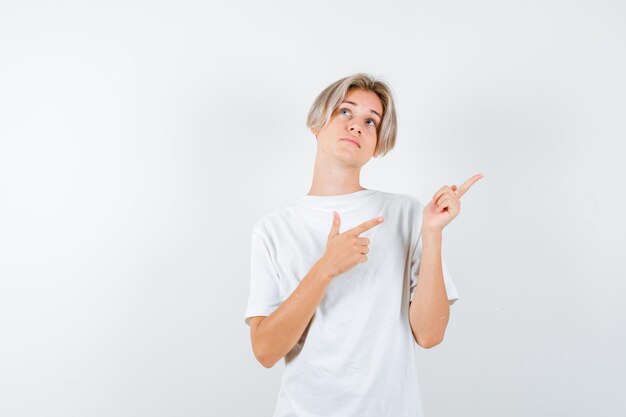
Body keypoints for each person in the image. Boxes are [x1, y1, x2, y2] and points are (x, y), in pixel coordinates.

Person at [244, 73, 483, 417]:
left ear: (377, 144)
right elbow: (265, 351)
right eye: (345, 112)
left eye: (371, 121)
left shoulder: (407, 214)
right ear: (317, 124)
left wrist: (432, 233)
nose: (357, 125)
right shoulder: (273, 230)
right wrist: (326, 268)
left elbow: (429, 335)